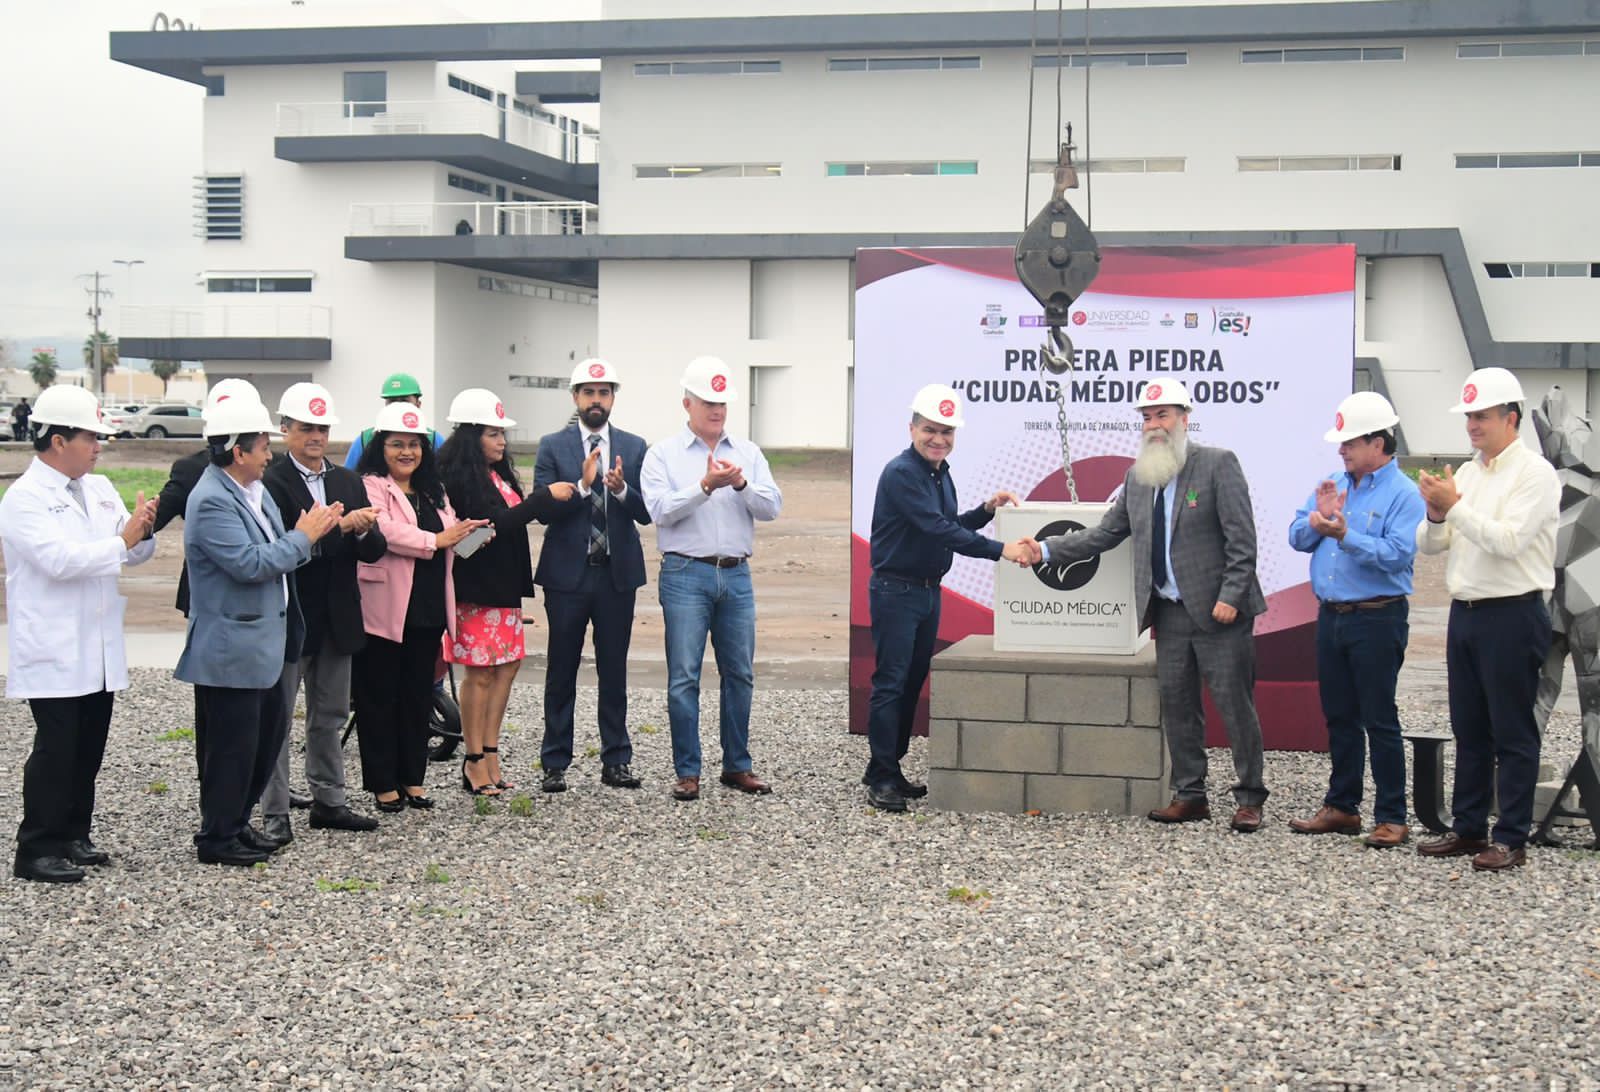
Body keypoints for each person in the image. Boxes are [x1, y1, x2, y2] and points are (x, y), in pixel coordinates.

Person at [1018, 379, 1271, 832]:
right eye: (1148, 418)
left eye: (1163, 415)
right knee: (1178, 706)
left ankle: (1250, 797)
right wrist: (1046, 550)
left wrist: (1231, 596)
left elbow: (1242, 538)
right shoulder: (1138, 477)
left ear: (1184, 418)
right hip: (1169, 614)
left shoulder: (1217, 464)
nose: (1155, 425)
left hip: (1219, 614)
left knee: (1235, 706)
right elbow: (1105, 534)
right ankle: (1190, 794)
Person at [175, 397, 342, 866]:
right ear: (236, 451)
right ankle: (218, 836)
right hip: (233, 648)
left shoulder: (254, 491)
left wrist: (306, 538)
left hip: (266, 643)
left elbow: (279, 552)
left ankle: (236, 824)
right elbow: (250, 563)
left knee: (261, 741)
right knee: (231, 747)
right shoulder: (210, 500)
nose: (269, 455)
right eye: (262, 446)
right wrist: (304, 536)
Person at [3, 386, 157, 882]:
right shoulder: (23, 499)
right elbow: (60, 561)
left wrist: (142, 532)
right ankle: (36, 848)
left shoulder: (99, 486)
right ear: (56, 440)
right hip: (53, 647)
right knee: (56, 749)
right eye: (90, 437)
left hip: (97, 644)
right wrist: (121, 540)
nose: (98, 447)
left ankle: (74, 833)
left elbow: (131, 554)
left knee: (89, 746)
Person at [1416, 368, 1559, 872]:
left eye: (1481, 416)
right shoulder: (1471, 472)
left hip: (1514, 611)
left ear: (1511, 417)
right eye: (1469, 417)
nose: (1472, 426)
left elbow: (1508, 542)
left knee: (1513, 730)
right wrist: (1436, 515)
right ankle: (1469, 827)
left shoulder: (1535, 474)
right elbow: (1430, 546)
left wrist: (1452, 508)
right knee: (1470, 727)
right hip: (1467, 612)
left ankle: (1511, 836)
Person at [864, 384, 1030, 813]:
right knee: (891, 684)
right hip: (897, 591)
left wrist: (986, 510)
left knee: (910, 683)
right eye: (930, 430)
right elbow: (937, 530)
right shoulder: (902, 473)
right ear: (912, 428)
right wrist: (1000, 550)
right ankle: (881, 776)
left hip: (924, 593)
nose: (938, 439)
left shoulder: (939, 472)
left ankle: (889, 768)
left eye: (947, 433)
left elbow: (946, 522)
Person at [640, 357, 783, 802]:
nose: (717, 410)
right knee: (684, 675)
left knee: (739, 673)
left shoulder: (749, 452)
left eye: (722, 402)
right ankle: (688, 770)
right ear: (687, 403)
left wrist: (740, 486)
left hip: (736, 574)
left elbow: (772, 507)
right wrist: (704, 486)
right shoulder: (662, 454)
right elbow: (658, 511)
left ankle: (736, 765)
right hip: (686, 572)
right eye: (708, 402)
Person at [1286, 392, 1425, 848]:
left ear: (1379, 443)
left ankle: (1391, 816)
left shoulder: (1404, 493)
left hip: (1378, 617)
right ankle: (1342, 806)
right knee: (1340, 715)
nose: (1341, 450)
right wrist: (1318, 521)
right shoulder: (1332, 481)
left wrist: (1346, 533)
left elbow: (1397, 557)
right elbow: (1296, 535)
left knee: (1379, 717)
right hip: (1332, 616)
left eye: (1350, 442)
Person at [260, 383, 388, 841]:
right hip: (293, 613)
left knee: (330, 713)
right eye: (306, 427)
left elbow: (373, 548)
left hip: (338, 615)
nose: (316, 436)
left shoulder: (346, 480)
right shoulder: (271, 483)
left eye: (322, 428)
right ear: (285, 430)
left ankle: (329, 799)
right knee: (277, 715)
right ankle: (274, 810)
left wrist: (360, 530)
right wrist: (338, 530)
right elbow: (285, 551)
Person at [353, 403, 489, 812]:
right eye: (397, 444)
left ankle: (413, 779)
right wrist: (436, 541)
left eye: (414, 444)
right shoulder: (370, 484)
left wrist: (471, 536)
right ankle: (382, 783)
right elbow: (386, 530)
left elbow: (450, 532)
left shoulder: (433, 488)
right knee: (380, 696)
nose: (407, 452)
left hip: (428, 605)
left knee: (416, 694)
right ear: (382, 447)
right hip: (385, 606)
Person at [437, 388, 573, 796]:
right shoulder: (458, 478)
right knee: (478, 675)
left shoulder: (497, 473)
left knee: (507, 668)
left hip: (504, 589)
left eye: (502, 434)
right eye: (493, 433)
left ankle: (491, 753)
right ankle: (473, 760)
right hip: (475, 590)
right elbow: (492, 526)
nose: (501, 441)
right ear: (470, 435)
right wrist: (542, 498)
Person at [533, 359, 652, 794]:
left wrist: (620, 489)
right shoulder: (552, 446)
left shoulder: (636, 447)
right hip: (567, 577)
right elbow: (542, 508)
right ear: (575, 398)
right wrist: (583, 487)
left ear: (613, 399)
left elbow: (646, 513)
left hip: (615, 578)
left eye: (603, 393)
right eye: (588, 392)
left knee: (613, 669)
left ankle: (616, 759)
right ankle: (555, 761)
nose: (596, 400)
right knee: (561, 668)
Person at [153, 378, 273, 785]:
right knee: (218, 705)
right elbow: (160, 513)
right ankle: (217, 788)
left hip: (263, 598)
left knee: (255, 707)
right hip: (213, 594)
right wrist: (124, 538)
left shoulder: (260, 467)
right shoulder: (193, 471)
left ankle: (243, 789)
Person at [342, 372, 446, 469]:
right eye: (392, 401)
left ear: (418, 405)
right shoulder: (365, 440)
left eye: (404, 401)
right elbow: (348, 481)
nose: (398, 406)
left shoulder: (434, 439)